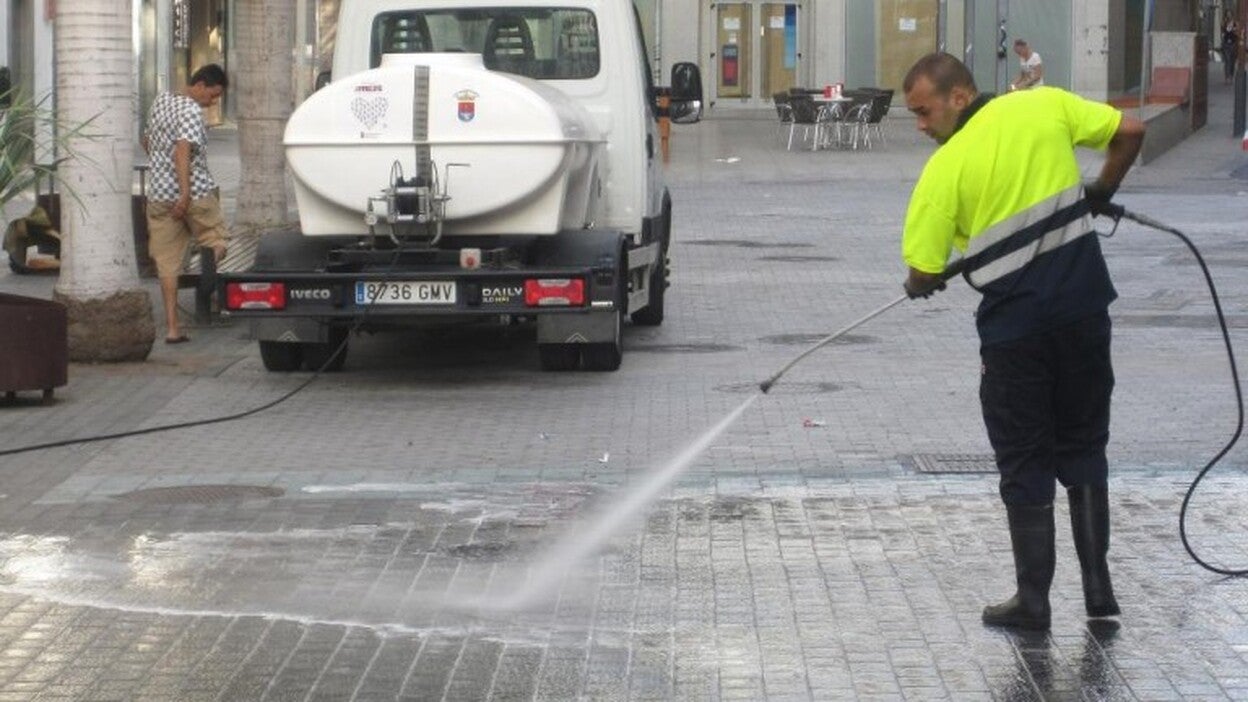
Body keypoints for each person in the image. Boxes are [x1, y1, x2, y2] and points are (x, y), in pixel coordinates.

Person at [899, 53, 1145, 630]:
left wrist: (920, 285)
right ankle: (1097, 589)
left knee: (1025, 456)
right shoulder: (1045, 104)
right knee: (1085, 444)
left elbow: (922, 268)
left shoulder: (945, 168)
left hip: (1015, 334)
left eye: (922, 111)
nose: (920, 126)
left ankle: (1033, 599)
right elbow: (1130, 131)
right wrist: (1099, 189)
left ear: (958, 97)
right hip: (1085, 311)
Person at [143, 64, 230, 344]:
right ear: (201, 85)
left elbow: (146, 140)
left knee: (167, 263)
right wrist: (184, 194)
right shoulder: (192, 109)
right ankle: (207, 279)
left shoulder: (161, 100)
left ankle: (172, 328)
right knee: (217, 240)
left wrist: (162, 169)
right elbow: (183, 150)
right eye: (213, 96)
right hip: (194, 193)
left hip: (158, 194)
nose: (212, 102)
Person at [1222, 19, 1240, 85]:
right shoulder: (1225, 27)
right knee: (1227, 61)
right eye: (1229, 22)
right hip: (1226, 45)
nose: (1230, 23)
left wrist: (1235, 29)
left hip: (1233, 45)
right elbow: (1224, 35)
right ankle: (1227, 77)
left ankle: (1231, 76)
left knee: (1232, 62)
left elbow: (1238, 35)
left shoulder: (1235, 26)